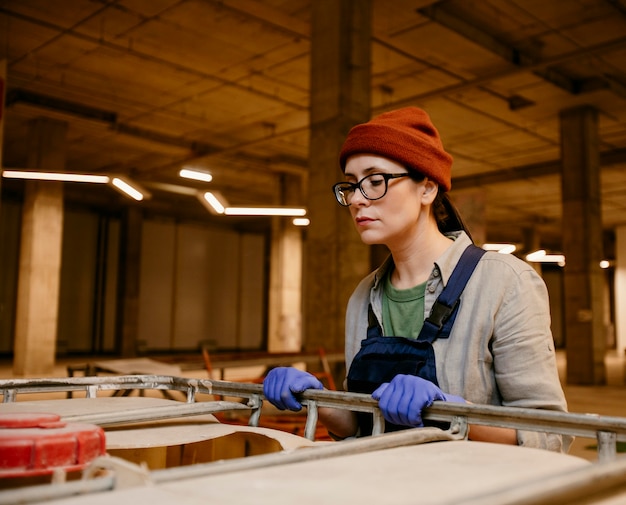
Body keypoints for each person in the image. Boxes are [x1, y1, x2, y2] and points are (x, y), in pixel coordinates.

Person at [263, 107, 571, 452]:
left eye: (375, 181)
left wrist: (452, 413)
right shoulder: (364, 296)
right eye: (350, 185)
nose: (357, 199)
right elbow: (360, 425)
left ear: (426, 188)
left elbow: (549, 436)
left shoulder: (505, 283)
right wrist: (316, 399)